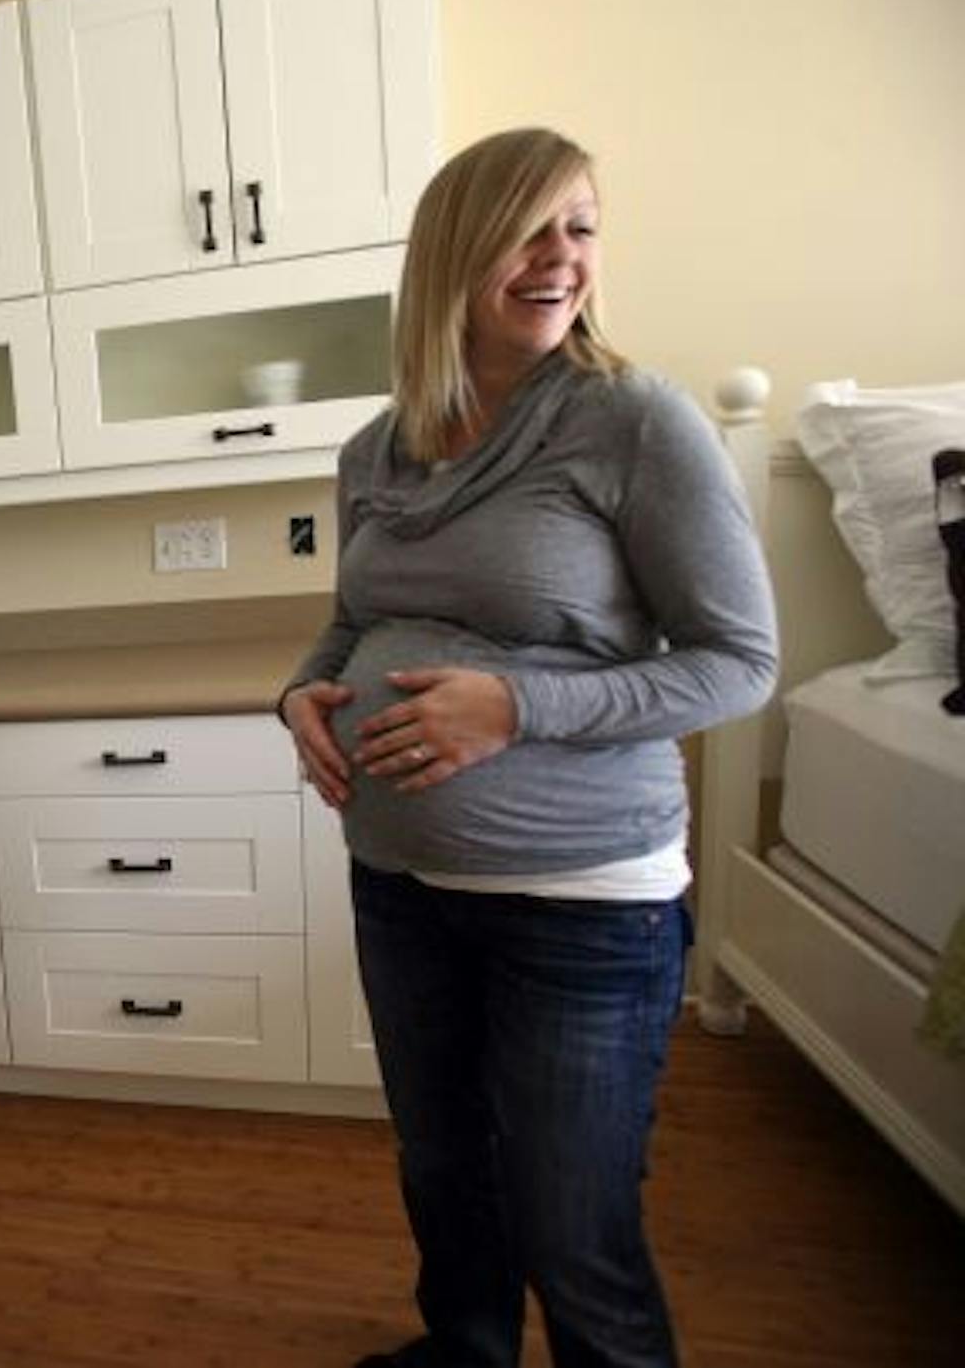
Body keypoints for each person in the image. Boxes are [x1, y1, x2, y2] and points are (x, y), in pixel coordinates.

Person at [280, 128, 777, 1368]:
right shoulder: (375, 447)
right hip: (400, 885)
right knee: (444, 1169)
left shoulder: (632, 421)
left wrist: (514, 708)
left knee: (574, 1220)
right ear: (454, 252)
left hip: (583, 901)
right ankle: (468, 1349)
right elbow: (352, 620)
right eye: (531, 227)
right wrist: (301, 695)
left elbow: (738, 660)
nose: (564, 256)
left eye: (583, 226)